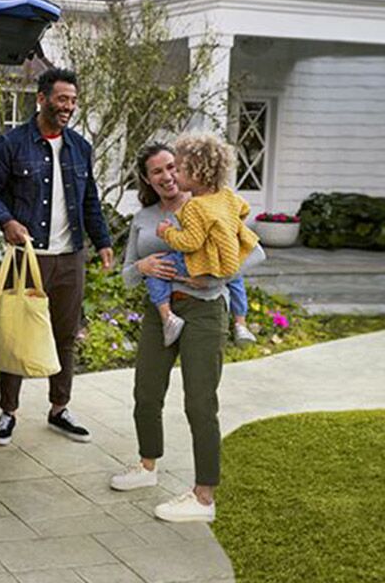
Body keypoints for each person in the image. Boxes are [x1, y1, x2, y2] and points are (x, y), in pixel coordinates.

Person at [110, 139, 263, 523]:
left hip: (205, 312)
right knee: (146, 391)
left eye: (173, 167)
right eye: (158, 170)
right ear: (147, 178)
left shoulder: (214, 205)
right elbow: (127, 275)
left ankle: (204, 497)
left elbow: (253, 253)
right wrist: (142, 268)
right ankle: (147, 467)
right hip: (159, 312)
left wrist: (210, 276)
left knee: (199, 402)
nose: (169, 176)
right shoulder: (144, 218)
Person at [0, 67, 114, 446]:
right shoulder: (12, 144)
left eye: (73, 100)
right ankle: (7, 413)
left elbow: (89, 201)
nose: (68, 106)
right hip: (28, 255)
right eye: (61, 99)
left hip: (70, 258)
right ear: (42, 98)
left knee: (65, 335)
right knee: (15, 332)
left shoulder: (80, 147)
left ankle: (59, 408)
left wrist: (101, 241)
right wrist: (6, 221)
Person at [148, 134, 259, 346]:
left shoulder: (194, 206)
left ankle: (168, 318)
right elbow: (244, 209)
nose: (174, 175)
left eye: (179, 170)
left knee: (156, 269)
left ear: (197, 173)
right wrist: (224, 227)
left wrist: (166, 232)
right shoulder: (226, 195)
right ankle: (240, 324)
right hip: (226, 260)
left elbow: (190, 242)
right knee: (236, 279)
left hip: (199, 264)